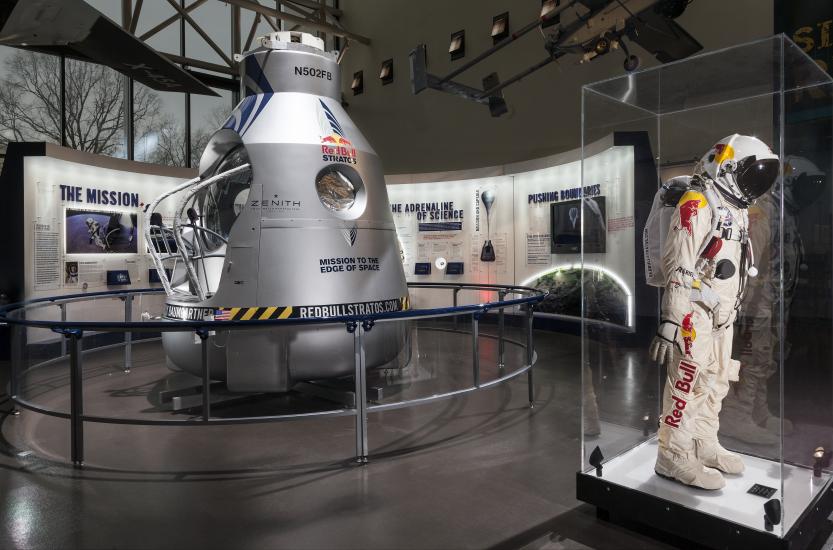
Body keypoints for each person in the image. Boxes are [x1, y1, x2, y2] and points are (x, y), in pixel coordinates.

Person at [649, 135, 779, 489]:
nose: (755, 185)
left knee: (717, 381)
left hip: (723, 313)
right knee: (687, 383)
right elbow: (680, 263)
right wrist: (672, 317)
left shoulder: (733, 208)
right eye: (751, 175)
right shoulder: (697, 202)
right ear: (725, 168)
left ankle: (704, 443)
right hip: (695, 311)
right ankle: (672, 455)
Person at [720, 156, 826, 444]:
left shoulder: (783, 212)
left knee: (765, 361)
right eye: (806, 186)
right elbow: (749, 261)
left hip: (773, 303)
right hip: (757, 305)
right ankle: (736, 416)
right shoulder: (764, 212)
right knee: (752, 361)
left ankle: (757, 413)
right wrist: (746, 308)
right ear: (788, 183)